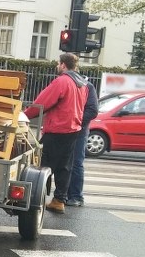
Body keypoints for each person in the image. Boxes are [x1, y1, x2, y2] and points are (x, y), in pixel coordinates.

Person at [23, 52, 90, 214]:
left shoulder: (63, 81)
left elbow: (42, 103)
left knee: (44, 165)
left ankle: (36, 199)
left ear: (63, 65)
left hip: (58, 129)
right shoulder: (82, 85)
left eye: (58, 63)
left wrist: (24, 115)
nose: (57, 66)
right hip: (73, 130)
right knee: (64, 167)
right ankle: (59, 200)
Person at [66, 77, 99, 207]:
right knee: (66, 163)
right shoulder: (68, 84)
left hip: (79, 131)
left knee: (76, 162)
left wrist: (76, 122)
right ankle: (65, 195)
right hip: (67, 129)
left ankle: (76, 196)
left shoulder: (87, 86)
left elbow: (92, 111)